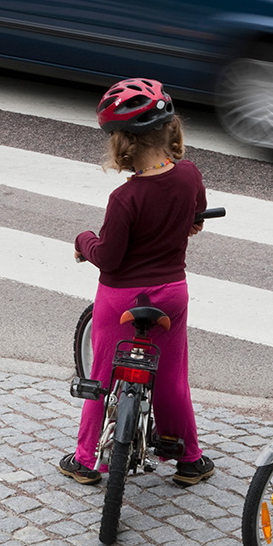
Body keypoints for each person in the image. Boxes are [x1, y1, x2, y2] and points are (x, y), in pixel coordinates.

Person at [58, 78, 212, 488]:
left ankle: (87, 459)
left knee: (103, 377)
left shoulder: (124, 199)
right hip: (170, 295)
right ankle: (189, 459)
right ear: (171, 130)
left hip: (120, 298)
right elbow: (197, 215)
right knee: (173, 378)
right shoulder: (189, 176)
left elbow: (109, 256)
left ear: (121, 144)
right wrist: (186, 223)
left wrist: (82, 240)